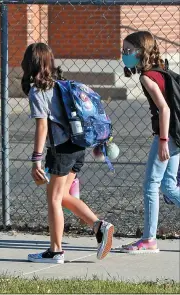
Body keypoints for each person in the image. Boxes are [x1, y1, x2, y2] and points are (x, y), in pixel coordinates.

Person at [21, 43, 114, 264]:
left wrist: (36, 159)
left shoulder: (38, 90)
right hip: (78, 146)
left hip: (62, 149)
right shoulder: (59, 84)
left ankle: (55, 251)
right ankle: (99, 226)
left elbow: (42, 127)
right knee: (61, 196)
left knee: (53, 198)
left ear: (28, 63)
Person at [120, 31, 180, 254]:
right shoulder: (161, 69)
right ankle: (149, 239)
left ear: (140, 52)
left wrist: (163, 140)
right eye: (123, 51)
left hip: (168, 135)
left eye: (128, 51)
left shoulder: (147, 77)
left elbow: (164, 109)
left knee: (151, 185)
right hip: (177, 134)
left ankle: (149, 240)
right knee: (168, 185)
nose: (124, 55)